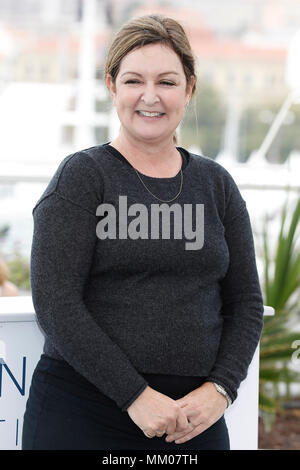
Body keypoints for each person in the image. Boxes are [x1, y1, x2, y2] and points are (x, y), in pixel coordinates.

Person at [22, 14, 264, 450]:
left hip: (194, 420)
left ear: (189, 89)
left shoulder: (217, 185)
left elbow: (246, 301)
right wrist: (135, 396)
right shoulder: (83, 177)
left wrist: (221, 390)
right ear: (112, 86)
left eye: (167, 82)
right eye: (134, 80)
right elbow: (56, 302)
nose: (150, 97)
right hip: (84, 414)